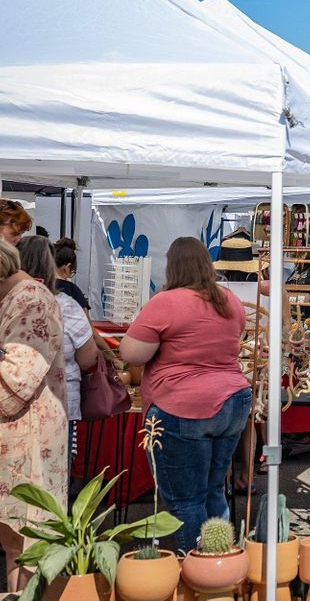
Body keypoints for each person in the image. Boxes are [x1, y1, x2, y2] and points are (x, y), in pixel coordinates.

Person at [120, 237, 251, 552]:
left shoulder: (166, 301)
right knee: (213, 489)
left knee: (186, 500)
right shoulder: (228, 299)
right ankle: (221, 564)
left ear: (172, 265)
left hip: (183, 406)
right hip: (233, 400)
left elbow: (132, 353)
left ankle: (197, 570)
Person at [0, 238, 67, 592]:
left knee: (30, 547)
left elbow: (15, 388)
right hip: (16, 445)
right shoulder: (16, 298)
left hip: (27, 444)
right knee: (17, 546)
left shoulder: (32, 301)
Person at [16, 236, 97, 459]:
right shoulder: (66, 304)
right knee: (54, 472)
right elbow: (89, 357)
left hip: (12, 401)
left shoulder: (7, 301)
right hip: (58, 403)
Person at [51, 237, 91, 312]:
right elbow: (86, 322)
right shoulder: (73, 291)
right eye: (73, 271)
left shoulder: (40, 287)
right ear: (68, 267)